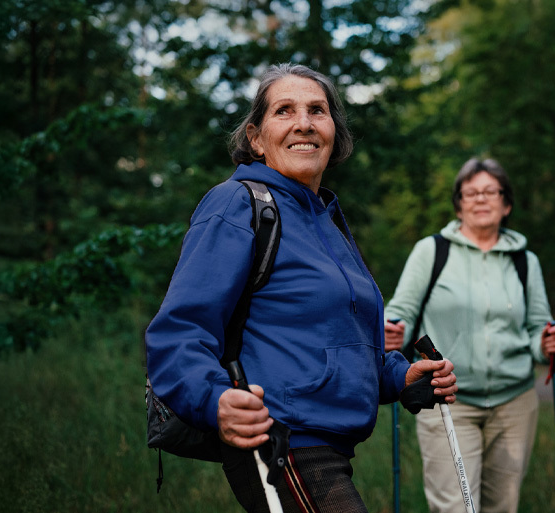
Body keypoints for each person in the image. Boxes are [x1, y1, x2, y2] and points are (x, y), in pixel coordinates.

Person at [144, 63, 457, 513]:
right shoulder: (237, 204)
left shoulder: (327, 220)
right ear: (255, 137)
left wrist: (399, 376)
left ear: (335, 131)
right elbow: (178, 333)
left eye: (317, 110)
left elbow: (343, 344)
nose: (304, 123)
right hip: (279, 442)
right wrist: (215, 401)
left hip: (329, 447)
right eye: (284, 111)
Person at [383, 157, 555, 513]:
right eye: (470, 193)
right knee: (455, 508)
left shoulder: (525, 261)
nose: (481, 199)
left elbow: (537, 330)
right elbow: (400, 312)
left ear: (507, 203)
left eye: (490, 191)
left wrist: (548, 346)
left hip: (514, 404)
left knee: (503, 506)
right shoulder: (432, 251)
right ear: (459, 205)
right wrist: (393, 328)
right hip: (448, 400)